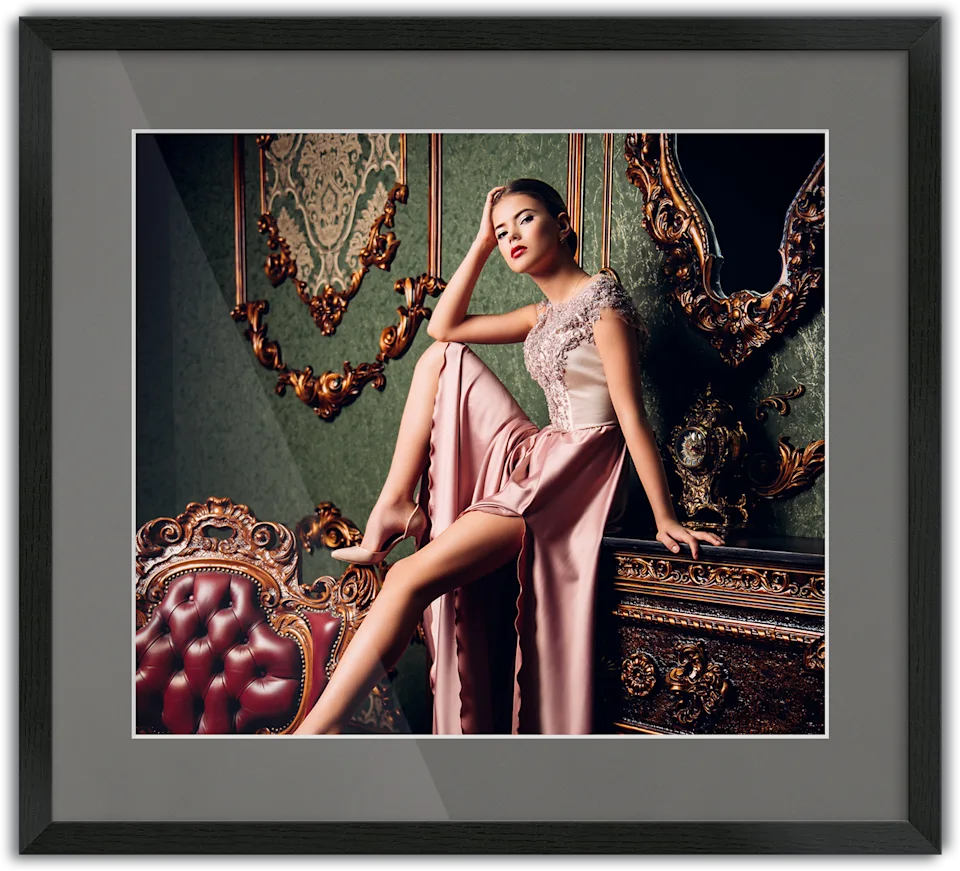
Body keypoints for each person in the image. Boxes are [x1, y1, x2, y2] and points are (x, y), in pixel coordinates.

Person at [293, 178, 723, 736]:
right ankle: (397, 503)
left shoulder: (605, 308)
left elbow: (633, 420)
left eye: (523, 219)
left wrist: (666, 518)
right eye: (502, 230)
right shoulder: (541, 315)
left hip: (582, 473)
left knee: (403, 579)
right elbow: (443, 327)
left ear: (563, 222)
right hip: (546, 453)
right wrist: (479, 242)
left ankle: (311, 737)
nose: (510, 236)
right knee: (442, 357)